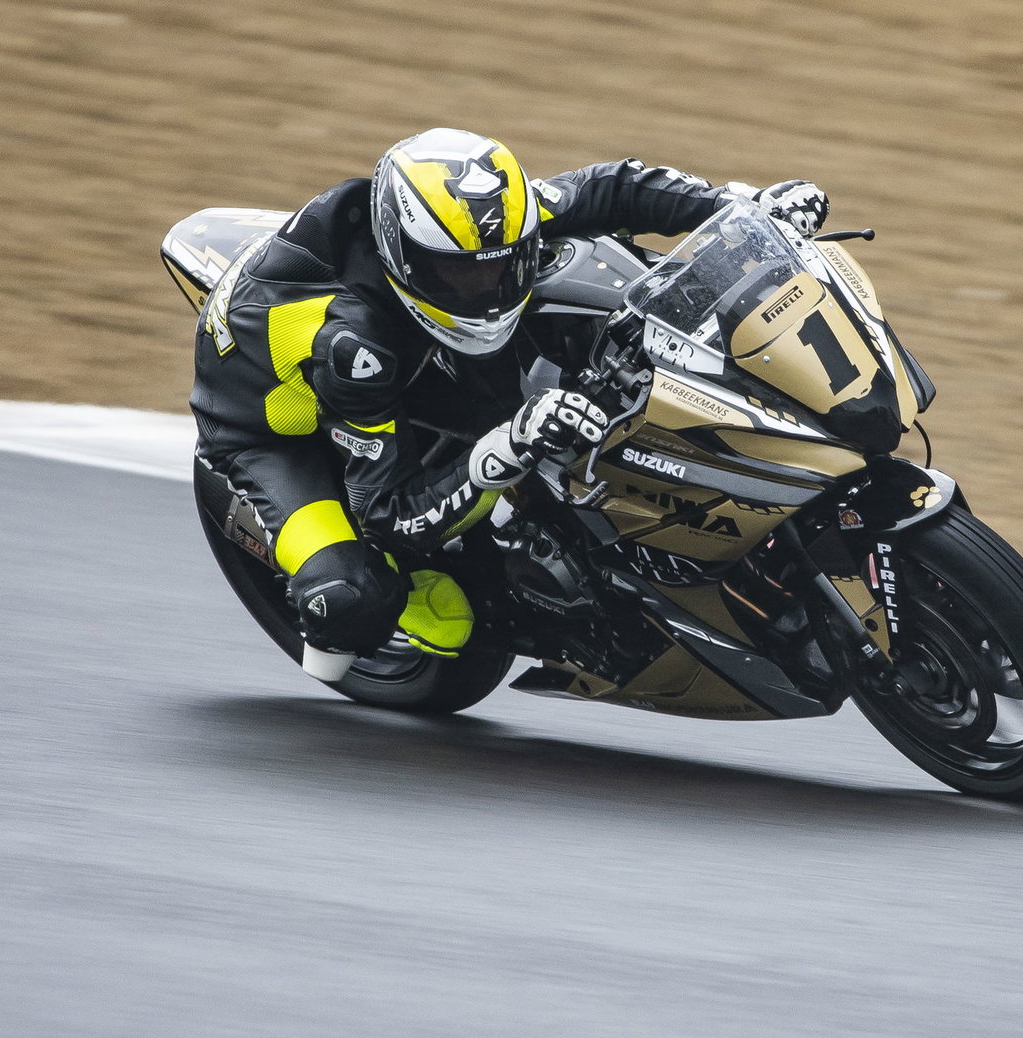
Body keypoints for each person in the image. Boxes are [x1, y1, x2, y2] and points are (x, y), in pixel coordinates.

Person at [191, 127, 829, 680]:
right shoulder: (356, 347)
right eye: (464, 274)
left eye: (504, 264)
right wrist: (504, 449)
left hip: (408, 350)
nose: (491, 286)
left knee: (588, 309)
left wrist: (740, 206)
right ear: (405, 260)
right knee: (354, 600)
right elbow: (388, 511)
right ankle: (322, 570)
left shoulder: (486, 220)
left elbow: (611, 188)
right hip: (271, 426)